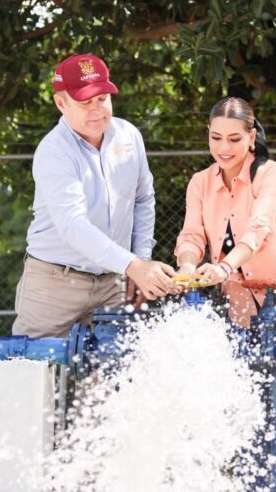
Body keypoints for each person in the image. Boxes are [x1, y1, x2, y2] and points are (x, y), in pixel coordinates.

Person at [174, 96, 276, 491]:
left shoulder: (268, 172)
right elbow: (191, 235)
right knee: (244, 400)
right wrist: (188, 266)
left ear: (252, 138)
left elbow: (260, 228)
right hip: (239, 305)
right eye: (216, 138)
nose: (224, 148)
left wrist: (222, 266)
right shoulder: (200, 182)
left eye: (234, 139)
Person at [12, 54, 178, 338]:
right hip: (53, 284)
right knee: (32, 371)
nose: (97, 110)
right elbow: (73, 225)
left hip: (111, 283)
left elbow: (143, 199)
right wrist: (134, 266)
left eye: (102, 99)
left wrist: (140, 259)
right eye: (85, 102)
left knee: (111, 376)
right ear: (60, 103)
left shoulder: (129, 136)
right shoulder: (54, 151)